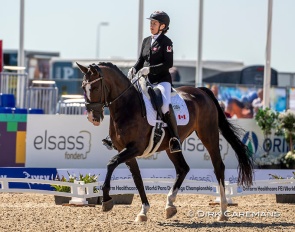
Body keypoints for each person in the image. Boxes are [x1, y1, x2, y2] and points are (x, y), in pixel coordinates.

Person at [127, 10, 181, 153]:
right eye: (151, 23)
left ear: (162, 26)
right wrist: (134, 68)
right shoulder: (146, 40)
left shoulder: (166, 42)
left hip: (161, 81)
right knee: (128, 97)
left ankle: (175, 138)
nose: (151, 25)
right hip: (145, 80)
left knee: (164, 106)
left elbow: (168, 64)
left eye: (154, 23)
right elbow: (140, 61)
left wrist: (149, 69)